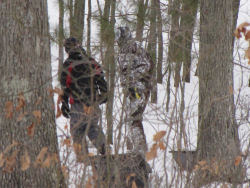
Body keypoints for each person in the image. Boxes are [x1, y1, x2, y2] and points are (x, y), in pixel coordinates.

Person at [60, 37, 108, 161]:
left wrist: (64, 103)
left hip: (77, 104)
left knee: (77, 131)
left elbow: (64, 86)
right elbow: (101, 78)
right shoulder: (91, 61)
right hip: (93, 103)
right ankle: (104, 148)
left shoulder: (68, 64)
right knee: (92, 127)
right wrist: (103, 95)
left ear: (67, 49)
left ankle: (82, 160)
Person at [115, 27, 154, 155]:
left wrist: (133, 80)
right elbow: (124, 70)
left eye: (119, 36)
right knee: (131, 118)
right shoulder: (123, 50)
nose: (117, 40)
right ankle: (139, 147)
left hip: (139, 88)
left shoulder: (135, 47)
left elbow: (146, 65)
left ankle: (141, 148)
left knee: (133, 118)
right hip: (130, 90)